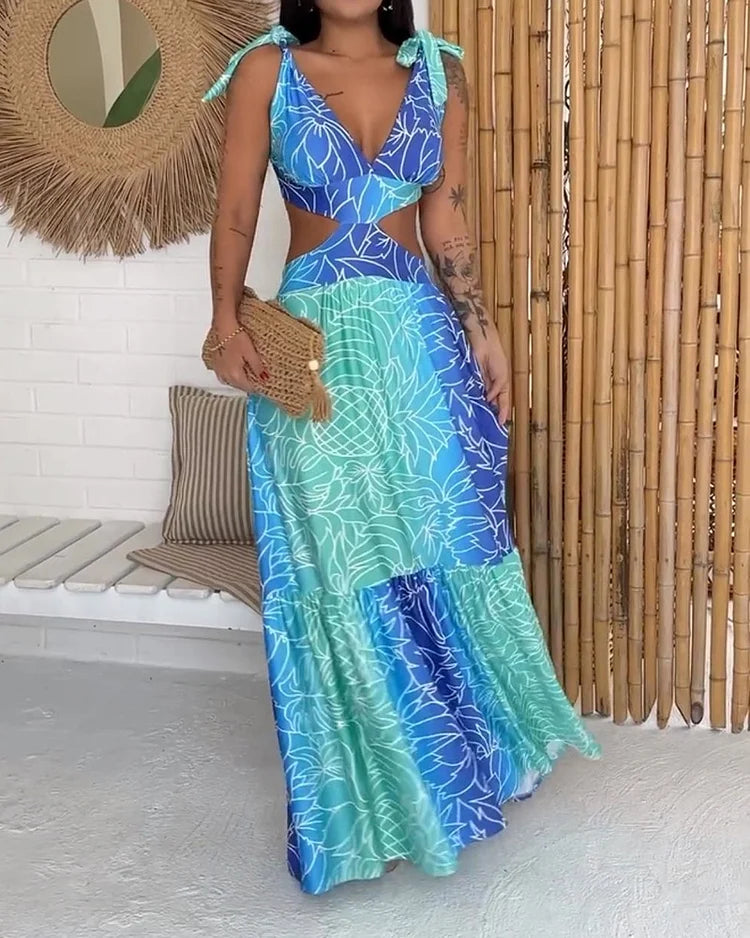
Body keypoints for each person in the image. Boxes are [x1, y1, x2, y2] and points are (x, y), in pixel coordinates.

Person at [204, 0, 600, 896]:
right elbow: (234, 211)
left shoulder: (438, 72)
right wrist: (225, 321)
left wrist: (482, 329)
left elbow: (444, 218)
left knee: (442, 542)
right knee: (339, 560)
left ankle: (475, 761)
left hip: (419, 342)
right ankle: (374, 800)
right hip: (317, 347)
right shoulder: (267, 70)